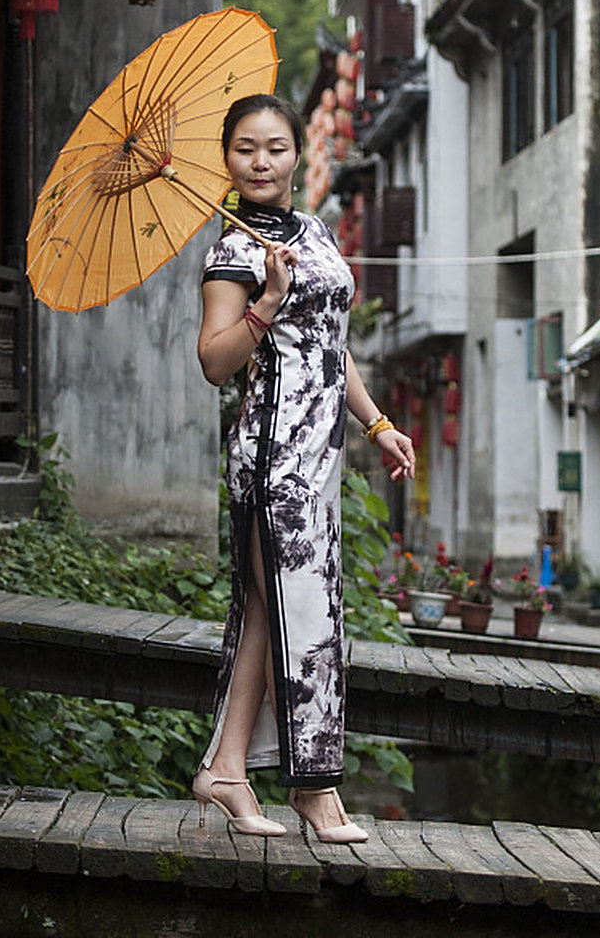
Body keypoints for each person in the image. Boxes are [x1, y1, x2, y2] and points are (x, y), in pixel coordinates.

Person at [193, 94, 415, 844]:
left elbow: (330, 343)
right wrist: (268, 300)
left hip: (319, 453)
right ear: (226, 158)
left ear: (296, 155)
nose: (260, 162)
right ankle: (315, 788)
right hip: (271, 454)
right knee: (303, 613)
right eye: (245, 149)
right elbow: (213, 363)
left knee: (271, 609)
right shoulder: (232, 249)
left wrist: (377, 423)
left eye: (275, 147)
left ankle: (226, 770)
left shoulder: (314, 232)